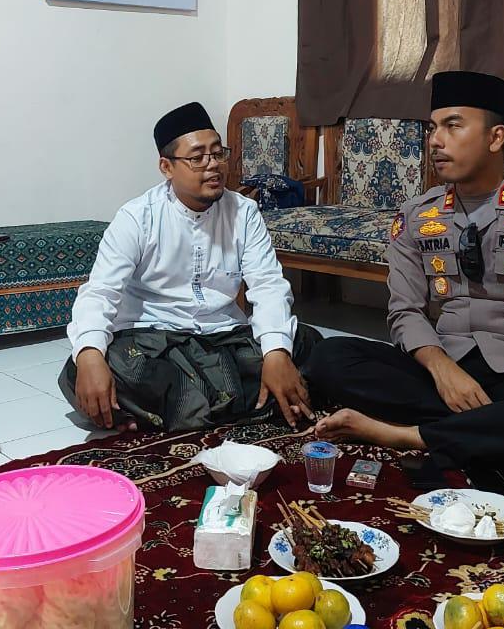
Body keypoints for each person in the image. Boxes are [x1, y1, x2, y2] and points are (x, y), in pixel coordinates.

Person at [308, 72, 504, 489]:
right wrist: (441, 369)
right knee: (329, 357)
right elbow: (405, 312)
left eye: (453, 126)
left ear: (496, 137)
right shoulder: (416, 217)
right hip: (442, 367)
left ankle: (405, 435)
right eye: (433, 128)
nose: (436, 140)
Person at [60, 102, 321, 433]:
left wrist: (276, 353)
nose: (213, 165)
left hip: (224, 338)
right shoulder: (137, 217)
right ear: (166, 167)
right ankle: (236, 402)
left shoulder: (244, 213)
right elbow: (101, 291)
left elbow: (268, 285)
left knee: (306, 344)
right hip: (156, 342)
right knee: (95, 365)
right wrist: (89, 354)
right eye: (197, 158)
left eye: (218, 154)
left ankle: (183, 409)